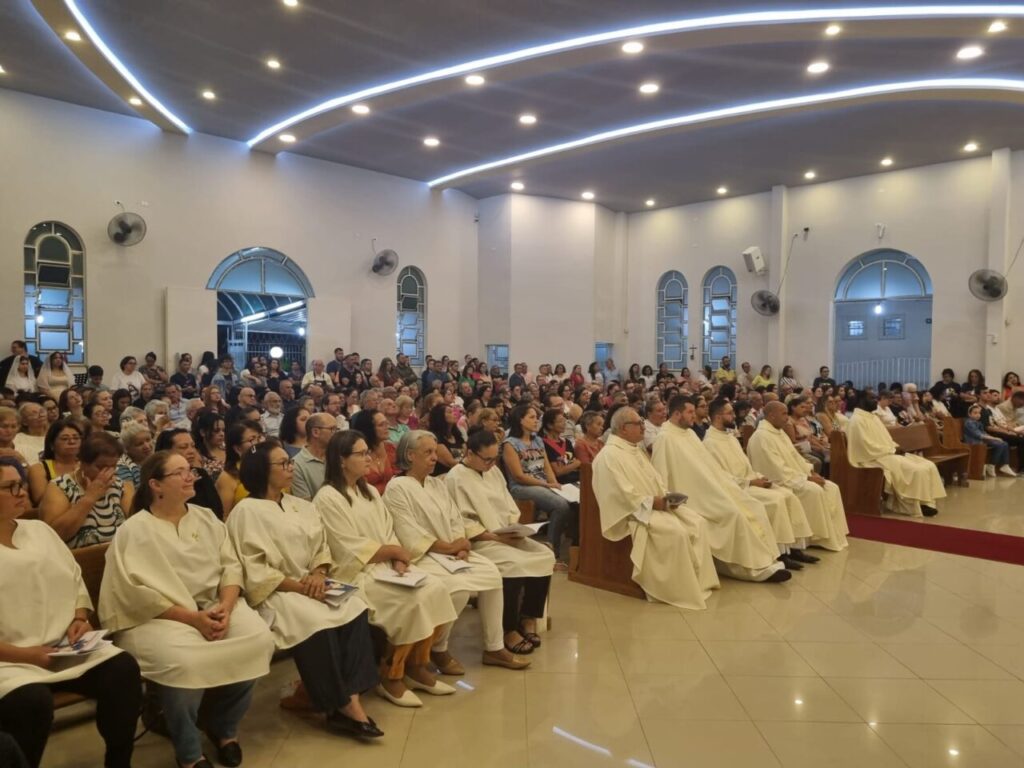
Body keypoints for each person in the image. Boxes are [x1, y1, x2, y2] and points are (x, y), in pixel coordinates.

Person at [99, 451, 274, 768]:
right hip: (159, 617)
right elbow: (132, 594)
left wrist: (226, 606)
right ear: (156, 484)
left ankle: (224, 726)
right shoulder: (135, 530)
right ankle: (189, 750)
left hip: (214, 606)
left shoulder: (205, 518)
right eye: (179, 473)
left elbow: (231, 567)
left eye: (190, 470)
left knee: (258, 640)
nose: (190, 476)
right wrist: (192, 619)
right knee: (185, 661)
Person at [227, 443, 383, 738]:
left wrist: (318, 572)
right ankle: (341, 707)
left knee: (354, 606)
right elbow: (254, 568)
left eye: (290, 462)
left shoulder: (300, 504)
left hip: (313, 582)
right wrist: (301, 586)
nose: (291, 468)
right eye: (283, 464)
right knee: (316, 621)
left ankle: (349, 700)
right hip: (279, 591)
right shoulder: (246, 510)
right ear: (262, 470)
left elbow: (321, 547)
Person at [0, 456, 142, 768]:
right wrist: (30, 656)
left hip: (64, 645)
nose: (21, 492)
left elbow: (73, 577)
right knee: (32, 703)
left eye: (21, 484)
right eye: (10, 487)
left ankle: (119, 763)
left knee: (122, 670)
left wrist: (80, 617)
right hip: (10, 662)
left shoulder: (38, 530)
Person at [314, 431, 460, 709]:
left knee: (438, 588)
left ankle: (417, 665)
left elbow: (389, 530)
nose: (369, 458)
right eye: (361, 453)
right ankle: (391, 673)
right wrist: (392, 552)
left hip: (385, 566)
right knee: (411, 600)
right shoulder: (328, 497)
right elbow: (346, 547)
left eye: (368, 451)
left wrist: (399, 558)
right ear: (342, 460)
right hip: (356, 573)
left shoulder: (367, 491)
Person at [383, 431, 527, 673]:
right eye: (427, 452)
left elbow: (454, 519)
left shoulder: (436, 484)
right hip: (423, 555)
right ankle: (438, 649)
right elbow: (409, 532)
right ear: (409, 456)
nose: (433, 457)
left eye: (434, 451)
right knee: (458, 588)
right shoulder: (397, 487)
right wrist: (449, 547)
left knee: (492, 573)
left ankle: (494, 647)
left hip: (450, 551)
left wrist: (460, 543)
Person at [591, 407, 720, 609]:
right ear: (624, 428)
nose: (644, 427)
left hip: (655, 505)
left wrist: (667, 498)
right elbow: (620, 495)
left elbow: (654, 479)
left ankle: (697, 583)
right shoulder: (609, 456)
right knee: (675, 532)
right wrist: (653, 502)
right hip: (635, 513)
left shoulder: (634, 449)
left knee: (698, 522)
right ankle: (676, 589)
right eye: (639, 424)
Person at [652, 396, 789, 583]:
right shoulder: (664, 438)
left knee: (753, 505)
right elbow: (660, 473)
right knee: (733, 514)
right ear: (677, 414)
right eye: (690, 412)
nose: (695, 416)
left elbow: (709, 466)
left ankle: (767, 559)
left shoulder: (689, 434)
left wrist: (728, 484)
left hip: (711, 488)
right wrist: (669, 499)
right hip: (692, 495)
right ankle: (749, 569)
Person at [445, 429, 555, 655]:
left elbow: (508, 506)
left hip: (506, 535)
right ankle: (508, 629)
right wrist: (495, 536)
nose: (490, 464)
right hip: (481, 541)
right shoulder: (456, 477)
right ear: (470, 453)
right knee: (512, 566)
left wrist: (516, 530)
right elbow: (462, 521)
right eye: (486, 459)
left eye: (494, 459)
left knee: (545, 555)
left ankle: (527, 617)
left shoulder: (493, 472)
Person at [703, 400, 818, 569]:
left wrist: (758, 477)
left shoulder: (730, 438)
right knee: (777, 500)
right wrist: (750, 481)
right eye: (730, 413)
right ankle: (780, 553)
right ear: (718, 416)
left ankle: (793, 548)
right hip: (737, 489)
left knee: (788, 495)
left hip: (751, 482)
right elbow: (720, 476)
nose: (734, 416)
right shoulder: (710, 443)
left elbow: (746, 466)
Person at [747, 401, 849, 550]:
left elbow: (795, 457)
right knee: (814, 491)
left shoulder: (778, 432)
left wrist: (810, 471)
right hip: (781, 480)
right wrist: (806, 478)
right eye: (783, 414)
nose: (787, 418)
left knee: (832, 487)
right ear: (771, 415)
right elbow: (776, 469)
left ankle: (833, 533)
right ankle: (816, 537)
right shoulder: (761, 437)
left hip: (796, 475)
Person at [502, 403, 578, 567]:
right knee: (560, 506)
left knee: (574, 504)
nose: (536, 421)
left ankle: (575, 550)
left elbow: (546, 466)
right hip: (522, 487)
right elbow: (519, 476)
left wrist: (554, 482)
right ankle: (552, 554)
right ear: (520, 420)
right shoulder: (510, 444)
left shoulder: (537, 440)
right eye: (532, 417)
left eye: (536, 417)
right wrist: (546, 484)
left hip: (542, 483)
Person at [847, 392, 947, 516]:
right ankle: (913, 505)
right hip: (871, 458)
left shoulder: (872, 417)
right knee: (916, 470)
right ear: (861, 401)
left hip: (885, 454)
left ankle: (925, 502)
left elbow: (885, 438)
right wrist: (891, 450)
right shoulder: (857, 420)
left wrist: (894, 446)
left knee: (927, 465)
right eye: (872, 398)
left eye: (876, 398)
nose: (876, 401)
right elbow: (866, 446)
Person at [40, 432, 133, 548]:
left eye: (113, 466)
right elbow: (54, 535)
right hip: (80, 558)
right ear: (82, 463)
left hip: (120, 552)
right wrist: (90, 498)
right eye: (101, 467)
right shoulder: (59, 486)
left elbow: (135, 525)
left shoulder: (121, 485)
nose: (108, 473)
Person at [155, 429, 225, 518]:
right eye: (183, 447)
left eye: (193, 446)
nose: (191, 451)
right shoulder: (160, 480)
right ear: (166, 451)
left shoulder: (201, 474)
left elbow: (217, 509)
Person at [215, 420, 264, 518]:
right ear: (238, 448)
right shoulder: (228, 477)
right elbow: (224, 516)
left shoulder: (271, 466)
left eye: (259, 437)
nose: (259, 443)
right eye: (252, 440)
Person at [27, 419, 82, 506]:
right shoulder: (39, 469)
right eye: (65, 439)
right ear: (52, 445)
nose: (72, 442)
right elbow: (43, 502)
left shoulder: (87, 465)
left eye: (76, 438)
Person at [289, 412, 336, 501]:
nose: (336, 433)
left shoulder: (338, 455)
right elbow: (306, 504)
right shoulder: (297, 465)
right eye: (332, 429)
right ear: (315, 432)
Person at [350, 409, 397, 495]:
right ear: (368, 429)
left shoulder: (391, 449)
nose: (387, 427)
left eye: (387, 423)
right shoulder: (356, 453)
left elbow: (400, 479)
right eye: (381, 425)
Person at [964, 403, 1017, 478]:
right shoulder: (969, 423)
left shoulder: (978, 422)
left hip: (981, 441)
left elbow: (984, 433)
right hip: (974, 442)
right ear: (969, 414)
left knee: (1004, 443)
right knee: (1000, 444)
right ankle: (991, 465)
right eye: (975, 413)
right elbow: (979, 435)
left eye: (979, 413)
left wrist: (992, 437)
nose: (978, 415)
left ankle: (1005, 465)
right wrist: (995, 438)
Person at [541, 408, 581, 484]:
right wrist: (576, 464)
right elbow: (558, 472)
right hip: (563, 482)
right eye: (560, 421)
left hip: (577, 478)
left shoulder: (567, 442)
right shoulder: (544, 444)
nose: (564, 423)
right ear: (550, 425)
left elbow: (574, 463)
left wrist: (570, 466)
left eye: (564, 420)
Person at [427, 403, 464, 476]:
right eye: (450, 412)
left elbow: (467, 454)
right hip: (443, 475)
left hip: (460, 472)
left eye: (454, 411)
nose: (454, 413)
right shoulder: (434, 437)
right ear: (440, 417)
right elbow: (450, 463)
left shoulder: (457, 435)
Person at [115, 421, 153, 488]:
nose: (147, 446)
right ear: (127, 448)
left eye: (148, 440)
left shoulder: (157, 459)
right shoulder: (122, 468)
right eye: (139, 444)